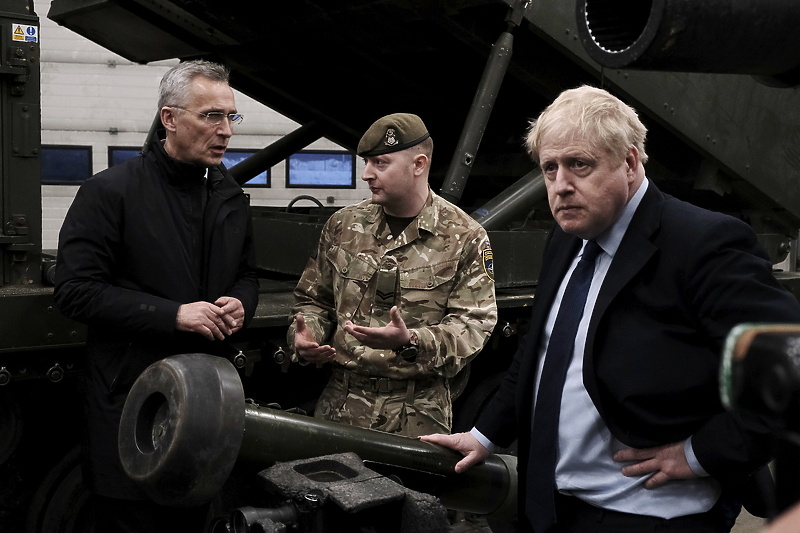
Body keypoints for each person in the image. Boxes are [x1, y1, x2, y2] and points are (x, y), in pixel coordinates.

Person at [421, 85, 800, 532]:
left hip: (651, 515)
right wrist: (484, 436)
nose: (561, 186)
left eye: (579, 164)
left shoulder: (704, 244)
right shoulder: (566, 238)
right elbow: (540, 350)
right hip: (551, 505)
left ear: (631, 162)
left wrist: (702, 453)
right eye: (550, 168)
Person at [54, 59, 259, 532]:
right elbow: (74, 291)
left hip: (207, 409)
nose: (226, 130)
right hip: (133, 405)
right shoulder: (110, 192)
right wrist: (173, 316)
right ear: (169, 118)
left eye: (231, 116)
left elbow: (246, 274)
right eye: (211, 116)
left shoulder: (229, 197)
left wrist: (240, 302)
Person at [287, 112, 497, 437]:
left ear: (418, 164)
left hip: (417, 412)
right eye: (366, 163)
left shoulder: (465, 237)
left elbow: (473, 327)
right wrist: (305, 336)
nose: (367, 175)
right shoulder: (343, 226)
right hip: (341, 404)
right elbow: (314, 301)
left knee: (411, 489)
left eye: (380, 163)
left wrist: (410, 341)